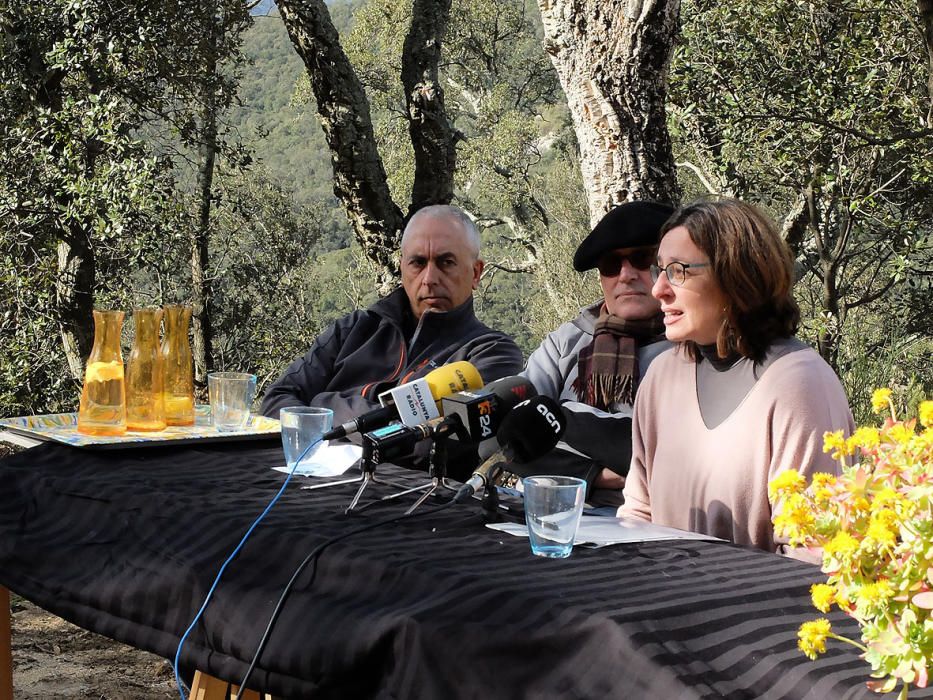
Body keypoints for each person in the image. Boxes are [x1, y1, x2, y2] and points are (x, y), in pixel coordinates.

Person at [619, 198, 855, 553]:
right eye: (660, 270)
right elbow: (639, 511)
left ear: (735, 277)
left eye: (678, 271)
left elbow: (813, 553)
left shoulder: (799, 384)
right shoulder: (662, 377)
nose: (658, 290)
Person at [260, 205, 524, 439]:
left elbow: (422, 442)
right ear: (402, 268)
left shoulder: (492, 353)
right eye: (418, 263)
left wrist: (322, 403)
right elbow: (275, 404)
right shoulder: (353, 330)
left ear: (476, 273)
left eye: (446, 262)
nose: (429, 278)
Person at [515, 201, 674, 507]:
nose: (626, 275)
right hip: (558, 518)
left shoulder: (694, 349)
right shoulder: (567, 341)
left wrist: (559, 421)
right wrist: (594, 474)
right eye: (611, 265)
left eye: (642, 259)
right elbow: (511, 433)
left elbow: (675, 455)